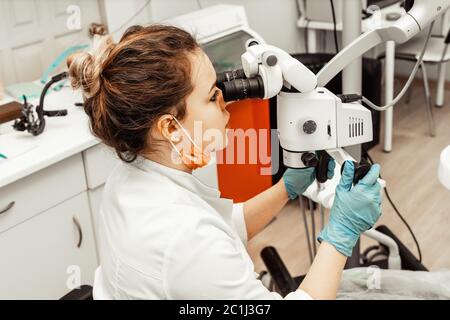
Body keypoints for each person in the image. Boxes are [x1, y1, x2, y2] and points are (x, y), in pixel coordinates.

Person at [67, 24, 382, 300]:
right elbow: (200, 243)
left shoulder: (131, 175)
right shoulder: (186, 240)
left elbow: (221, 228)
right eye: (211, 96)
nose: (226, 102)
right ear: (169, 128)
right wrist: (342, 232)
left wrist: (287, 188)